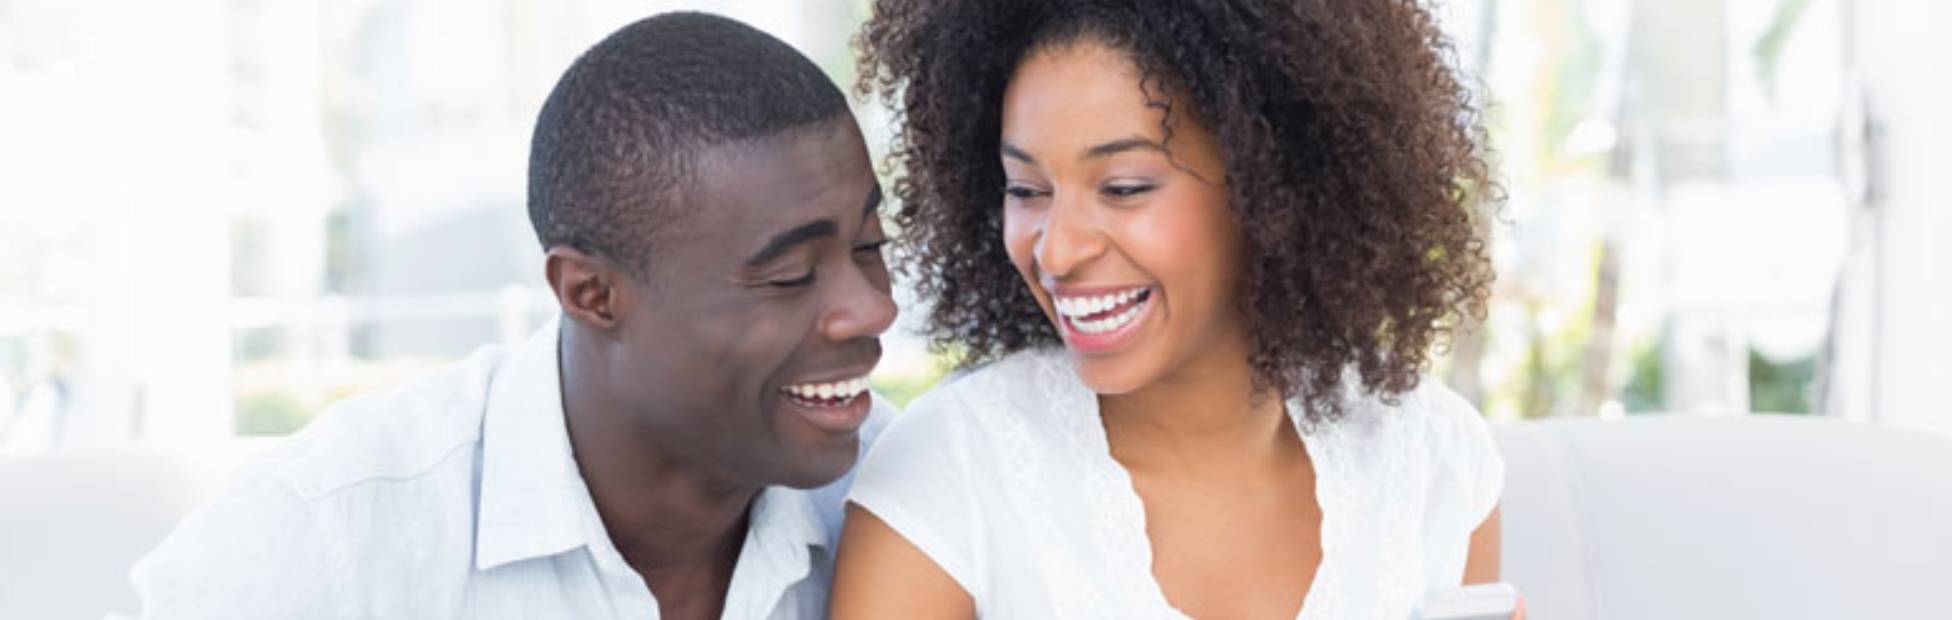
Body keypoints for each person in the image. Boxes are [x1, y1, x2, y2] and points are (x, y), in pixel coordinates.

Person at [130, 12, 896, 619]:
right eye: (790, 275)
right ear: (592, 294)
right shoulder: (332, 535)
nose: (873, 308)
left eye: (869, 245)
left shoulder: (905, 486)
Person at [833, 1, 1515, 618]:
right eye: (1027, 189)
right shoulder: (947, 475)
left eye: (1124, 188)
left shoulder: (1433, 459)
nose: (1058, 251)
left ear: (1272, 181)